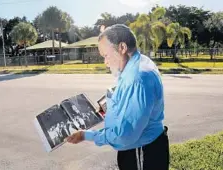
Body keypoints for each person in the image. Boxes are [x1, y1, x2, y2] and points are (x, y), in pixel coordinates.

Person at [66, 24, 169, 170]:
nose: (105, 62)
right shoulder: (138, 63)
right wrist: (111, 106)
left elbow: (123, 136)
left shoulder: (137, 78)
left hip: (141, 152)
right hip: (144, 147)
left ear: (122, 48)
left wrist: (86, 135)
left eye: (106, 55)